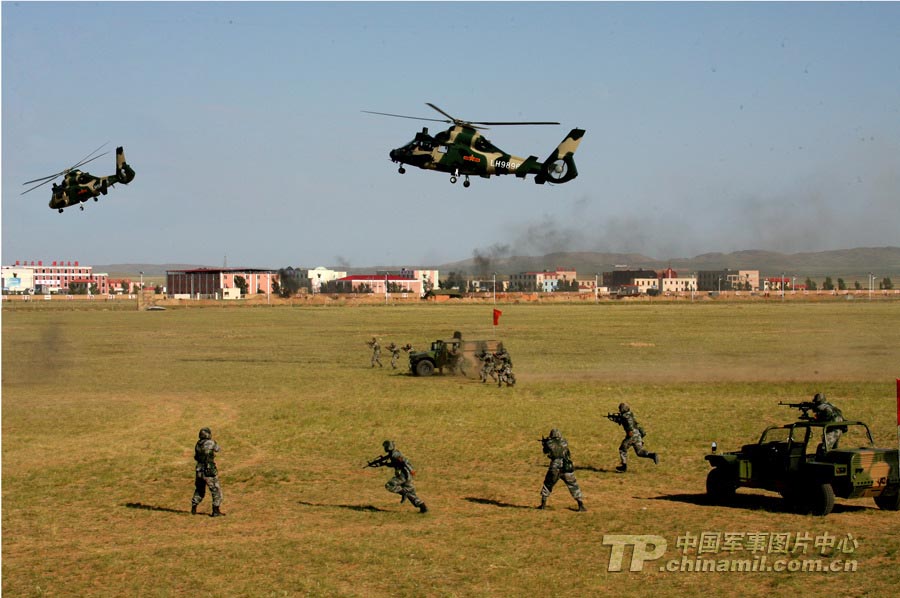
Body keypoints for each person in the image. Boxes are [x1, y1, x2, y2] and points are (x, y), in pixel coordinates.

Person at [367, 440, 428, 513]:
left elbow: (404, 461)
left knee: (389, 485)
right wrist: (385, 464)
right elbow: (395, 464)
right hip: (407, 475)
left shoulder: (395, 455)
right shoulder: (393, 454)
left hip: (403, 475)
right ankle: (422, 506)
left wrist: (411, 470)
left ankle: (403, 492)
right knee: (410, 492)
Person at [539, 428, 586, 511]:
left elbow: (546, 452)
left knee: (547, 484)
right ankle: (580, 505)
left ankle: (543, 504)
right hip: (566, 467)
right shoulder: (565, 442)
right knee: (573, 485)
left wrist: (544, 444)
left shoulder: (549, 443)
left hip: (555, 468)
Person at [613, 403, 659, 473]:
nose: (619, 410)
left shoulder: (625, 416)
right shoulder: (630, 414)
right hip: (638, 435)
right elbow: (623, 420)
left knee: (622, 449)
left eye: (620, 409)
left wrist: (615, 419)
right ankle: (652, 455)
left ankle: (623, 466)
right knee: (639, 452)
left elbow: (624, 421)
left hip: (631, 436)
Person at [192, 427, 225, 517]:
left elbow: (196, 457)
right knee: (216, 491)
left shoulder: (198, 444)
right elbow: (218, 449)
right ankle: (216, 511)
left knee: (199, 490)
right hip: (209, 471)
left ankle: (194, 507)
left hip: (199, 470)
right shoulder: (211, 443)